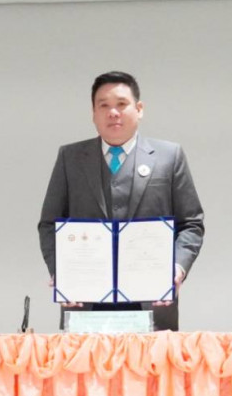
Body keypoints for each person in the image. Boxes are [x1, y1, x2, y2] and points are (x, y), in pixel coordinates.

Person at [38, 71, 204, 332]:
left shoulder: (169, 157)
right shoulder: (70, 158)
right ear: (93, 113)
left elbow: (191, 224)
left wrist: (177, 268)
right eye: (103, 105)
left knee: (152, 360)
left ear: (139, 109)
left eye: (122, 104)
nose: (113, 113)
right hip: (84, 300)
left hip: (152, 300)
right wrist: (61, 271)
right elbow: (49, 224)